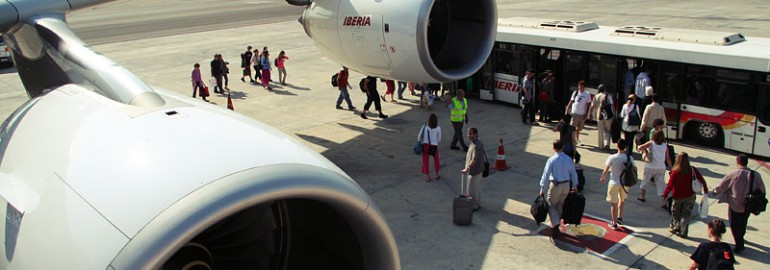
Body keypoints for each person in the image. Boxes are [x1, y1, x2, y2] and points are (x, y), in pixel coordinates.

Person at [711, 154, 766, 253]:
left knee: (734, 225)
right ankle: (741, 236)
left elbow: (722, 186)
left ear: (737, 162)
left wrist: (714, 192)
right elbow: (762, 190)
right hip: (749, 205)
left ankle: (739, 244)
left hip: (735, 205)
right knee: (743, 222)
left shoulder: (734, 174)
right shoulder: (756, 175)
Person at [539, 139, 579, 240]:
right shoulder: (568, 159)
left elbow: (546, 174)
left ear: (553, 148)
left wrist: (542, 188)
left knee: (551, 205)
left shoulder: (551, 160)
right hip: (566, 185)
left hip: (556, 185)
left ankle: (555, 224)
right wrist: (575, 185)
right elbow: (573, 173)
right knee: (561, 205)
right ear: (563, 147)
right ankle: (557, 221)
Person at [663, 152, 707, 238]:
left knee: (676, 212)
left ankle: (676, 226)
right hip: (690, 195)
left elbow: (670, 185)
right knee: (686, 214)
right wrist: (705, 189)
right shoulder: (692, 170)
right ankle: (684, 231)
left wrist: (665, 195)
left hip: (677, 196)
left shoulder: (675, 172)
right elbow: (701, 179)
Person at [599, 139, 632, 229]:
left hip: (614, 182)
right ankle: (619, 217)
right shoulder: (629, 158)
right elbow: (635, 169)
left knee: (613, 203)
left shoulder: (612, 157)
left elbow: (606, 168)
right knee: (622, 200)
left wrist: (603, 177)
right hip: (624, 183)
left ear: (617, 146)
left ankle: (614, 223)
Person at [637, 130, 673, 207]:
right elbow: (668, 158)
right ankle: (664, 201)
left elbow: (639, 147)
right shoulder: (664, 145)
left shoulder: (651, 143)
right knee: (661, 184)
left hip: (650, 166)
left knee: (645, 181)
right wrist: (671, 168)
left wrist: (645, 151)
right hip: (661, 167)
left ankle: (642, 196)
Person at [461, 127, 485, 211]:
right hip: (478, 170)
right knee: (476, 188)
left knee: (472, 190)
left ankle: (473, 206)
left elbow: (474, 160)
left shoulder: (476, 145)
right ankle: (477, 204)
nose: (469, 135)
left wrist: (467, 168)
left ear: (475, 134)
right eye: (468, 133)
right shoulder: (476, 142)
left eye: (470, 134)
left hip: (475, 171)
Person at [565, 80, 592, 145]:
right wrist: (567, 110)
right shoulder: (575, 93)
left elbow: (588, 105)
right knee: (573, 127)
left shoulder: (587, 94)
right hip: (575, 112)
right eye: (579, 87)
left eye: (582, 87)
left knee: (578, 128)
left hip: (582, 113)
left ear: (584, 87)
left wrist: (586, 114)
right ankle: (572, 139)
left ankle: (577, 139)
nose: (580, 89)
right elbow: (571, 101)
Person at [589, 84, 614, 149]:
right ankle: (607, 144)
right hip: (608, 116)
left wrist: (590, 114)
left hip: (599, 115)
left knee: (600, 131)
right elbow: (612, 106)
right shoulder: (608, 96)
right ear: (605, 89)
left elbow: (592, 106)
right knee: (608, 130)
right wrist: (614, 115)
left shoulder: (596, 96)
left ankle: (601, 146)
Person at [419, 113, 442, 182]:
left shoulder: (424, 126)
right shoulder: (438, 128)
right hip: (434, 145)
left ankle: (427, 175)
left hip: (425, 145)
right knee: (436, 159)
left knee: (425, 160)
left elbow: (419, 136)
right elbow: (439, 139)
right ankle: (437, 173)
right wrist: (435, 142)